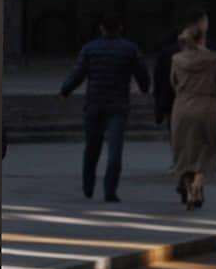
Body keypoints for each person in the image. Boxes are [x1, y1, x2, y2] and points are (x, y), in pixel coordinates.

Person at [60, 13, 151, 202]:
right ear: (120, 28)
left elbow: (78, 74)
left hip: (94, 104)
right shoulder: (129, 49)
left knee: (92, 147)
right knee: (115, 150)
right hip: (118, 106)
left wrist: (65, 90)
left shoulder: (90, 49)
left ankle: (88, 185)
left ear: (101, 28)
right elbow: (142, 73)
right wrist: (144, 88)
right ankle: (110, 190)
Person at [170, 13, 216, 210]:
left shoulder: (177, 60)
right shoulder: (214, 60)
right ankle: (199, 181)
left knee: (183, 150)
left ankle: (190, 190)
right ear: (203, 38)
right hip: (207, 108)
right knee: (207, 148)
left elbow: (173, 83)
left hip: (182, 108)